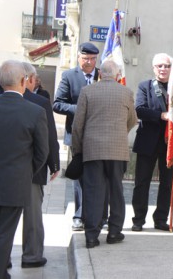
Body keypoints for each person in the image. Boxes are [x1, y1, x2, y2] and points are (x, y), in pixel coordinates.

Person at [0, 60, 48, 278]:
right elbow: (41, 152)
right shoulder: (35, 112)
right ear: (23, 81)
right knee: (3, 235)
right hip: (16, 182)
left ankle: (0, 273)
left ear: (0, 83)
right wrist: (26, 172)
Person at [71, 59, 137, 248]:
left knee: (93, 192)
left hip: (92, 150)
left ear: (100, 74)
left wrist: (78, 149)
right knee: (116, 191)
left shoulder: (87, 91)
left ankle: (92, 236)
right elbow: (132, 120)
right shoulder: (126, 92)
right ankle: (114, 232)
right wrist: (118, 133)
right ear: (117, 75)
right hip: (117, 150)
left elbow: (78, 125)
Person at [53, 42, 106, 231]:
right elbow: (57, 104)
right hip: (78, 135)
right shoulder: (69, 76)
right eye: (86, 59)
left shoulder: (102, 76)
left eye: (93, 59)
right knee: (80, 178)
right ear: (78, 57)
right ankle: (79, 215)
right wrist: (80, 109)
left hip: (100, 135)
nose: (89, 63)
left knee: (99, 177)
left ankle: (99, 215)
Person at [20, 62, 60, 268]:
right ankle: (31, 256)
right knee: (33, 215)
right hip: (32, 168)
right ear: (27, 79)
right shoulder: (40, 102)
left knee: (0, 217)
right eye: (34, 78)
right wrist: (53, 163)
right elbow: (49, 135)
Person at [131, 53, 173, 232]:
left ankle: (161, 219)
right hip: (148, 141)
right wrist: (161, 115)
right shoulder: (145, 86)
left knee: (166, 183)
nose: (163, 69)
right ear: (153, 68)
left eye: (167, 66)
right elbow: (139, 110)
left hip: (169, 142)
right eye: (160, 66)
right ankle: (138, 219)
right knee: (142, 182)